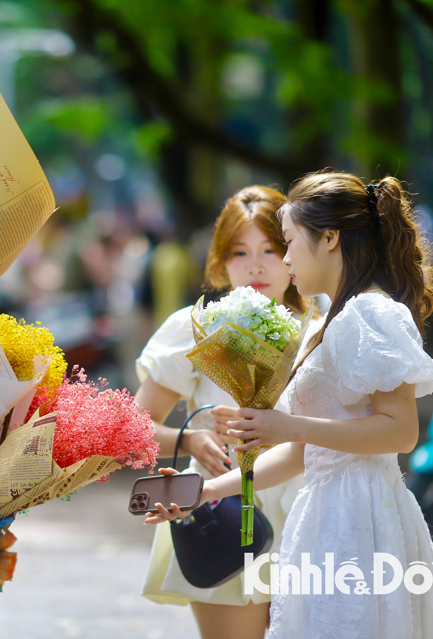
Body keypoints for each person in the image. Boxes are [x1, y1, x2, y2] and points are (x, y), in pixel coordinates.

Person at [147, 172, 433, 638]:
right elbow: (301, 452)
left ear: (329, 238)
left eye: (284, 243)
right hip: (324, 515)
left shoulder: (370, 313)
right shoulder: (336, 319)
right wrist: (203, 492)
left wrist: (288, 426)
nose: (282, 260)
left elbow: (401, 431)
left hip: (360, 519)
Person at [134, 185, 321, 639]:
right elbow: (133, 425)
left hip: (308, 511)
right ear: (219, 261)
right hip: (222, 510)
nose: (255, 265)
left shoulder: (318, 331)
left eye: (271, 249)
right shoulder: (194, 327)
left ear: (295, 253)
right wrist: (189, 438)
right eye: (239, 251)